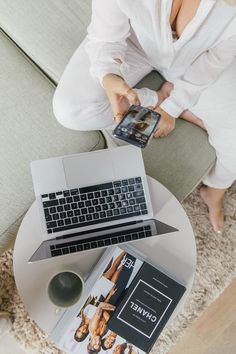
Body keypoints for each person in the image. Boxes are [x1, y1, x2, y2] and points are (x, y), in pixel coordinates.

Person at [53, 0, 236, 233]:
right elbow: (105, 37)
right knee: (69, 110)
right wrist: (110, 75)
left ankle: (215, 189)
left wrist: (174, 107)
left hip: (196, 60)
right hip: (133, 40)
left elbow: (213, 62)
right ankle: (166, 98)